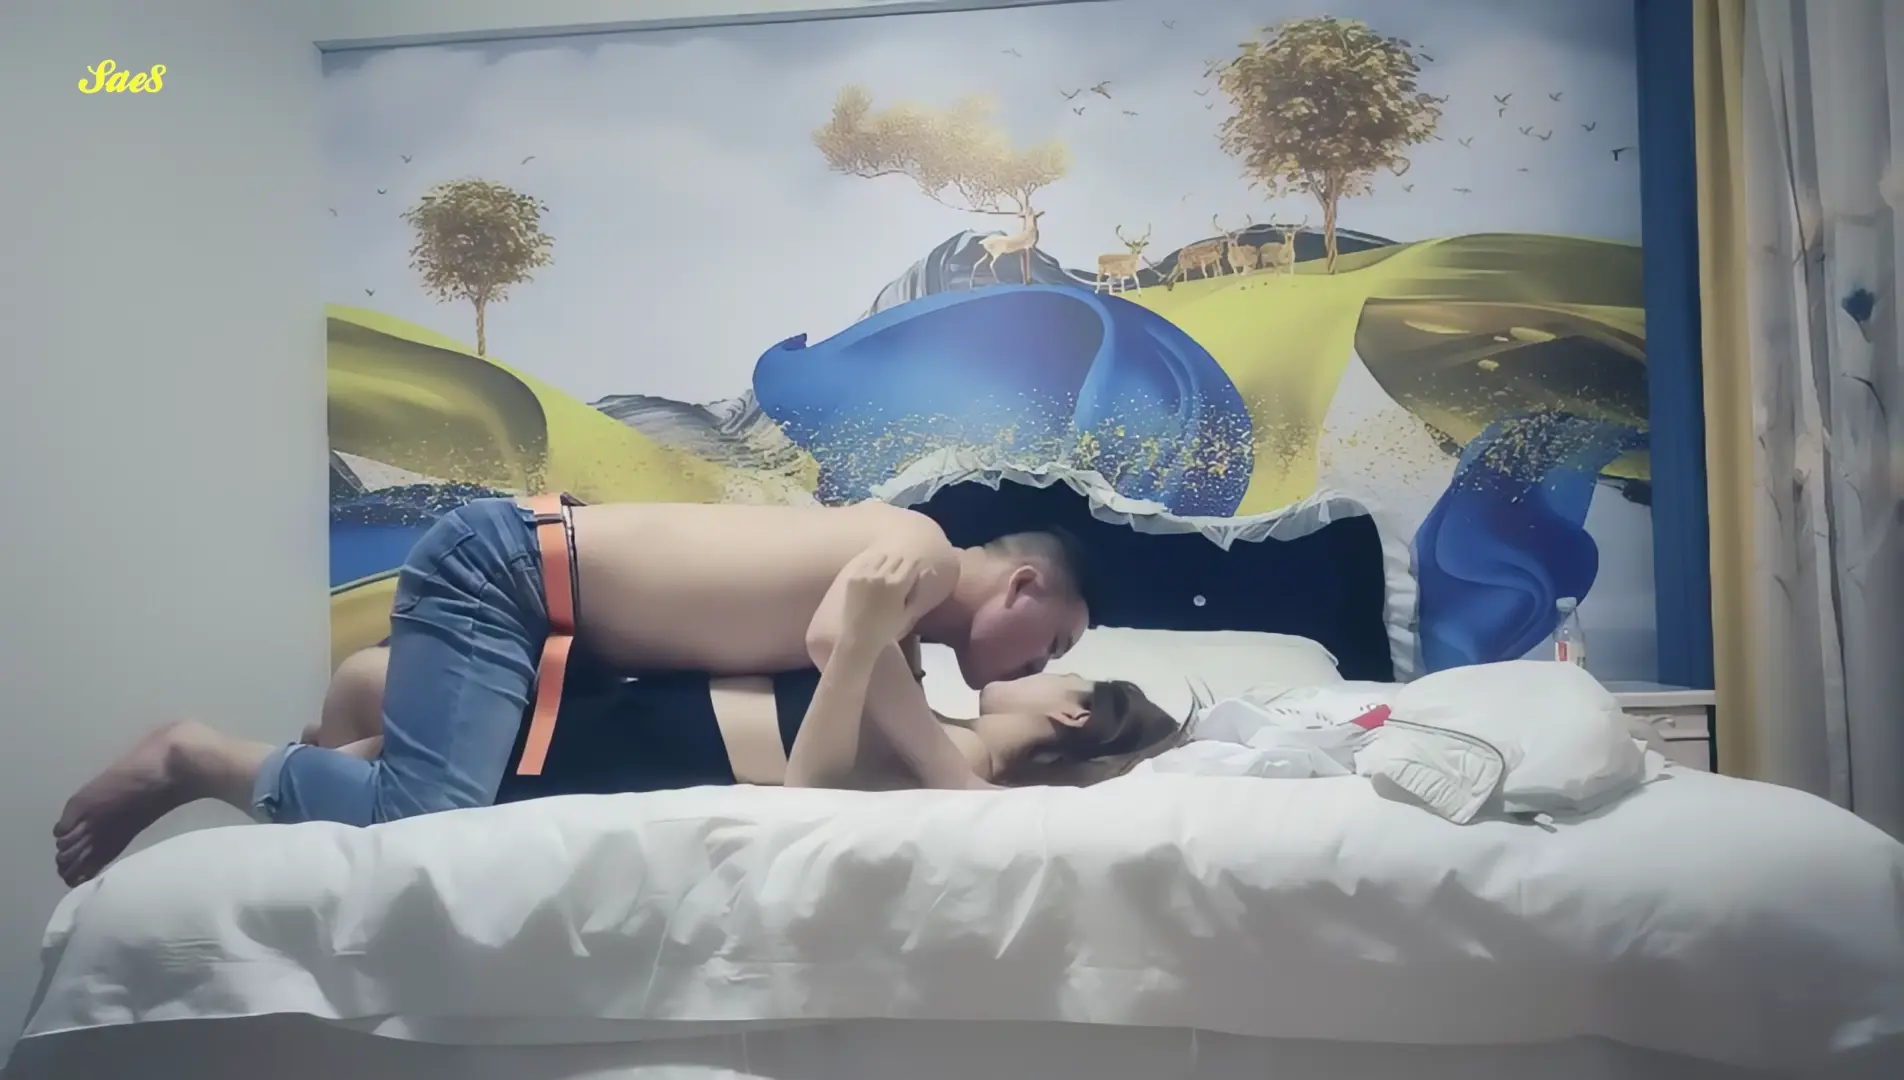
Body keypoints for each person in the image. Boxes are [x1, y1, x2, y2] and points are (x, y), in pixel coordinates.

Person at [53, 498, 1099, 885]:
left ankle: (344, 740)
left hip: (559, 623)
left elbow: (829, 739)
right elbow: (835, 641)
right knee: (424, 819)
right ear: (1021, 583)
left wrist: (957, 779)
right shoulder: (918, 552)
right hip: (508, 572)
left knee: (490, 771)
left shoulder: (901, 644)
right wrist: (965, 793)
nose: (1033, 665)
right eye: (1050, 640)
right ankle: (195, 756)